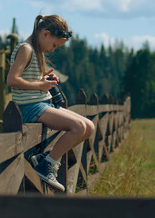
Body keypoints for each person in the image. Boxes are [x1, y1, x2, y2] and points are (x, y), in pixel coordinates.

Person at [6, 14, 95, 192]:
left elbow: (26, 79)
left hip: (41, 103)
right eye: (54, 45)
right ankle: (47, 165)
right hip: (31, 107)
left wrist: (43, 78)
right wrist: (41, 84)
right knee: (77, 127)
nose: (53, 50)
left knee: (89, 127)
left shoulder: (34, 50)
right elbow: (12, 80)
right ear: (45, 34)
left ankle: (45, 159)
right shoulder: (26, 49)